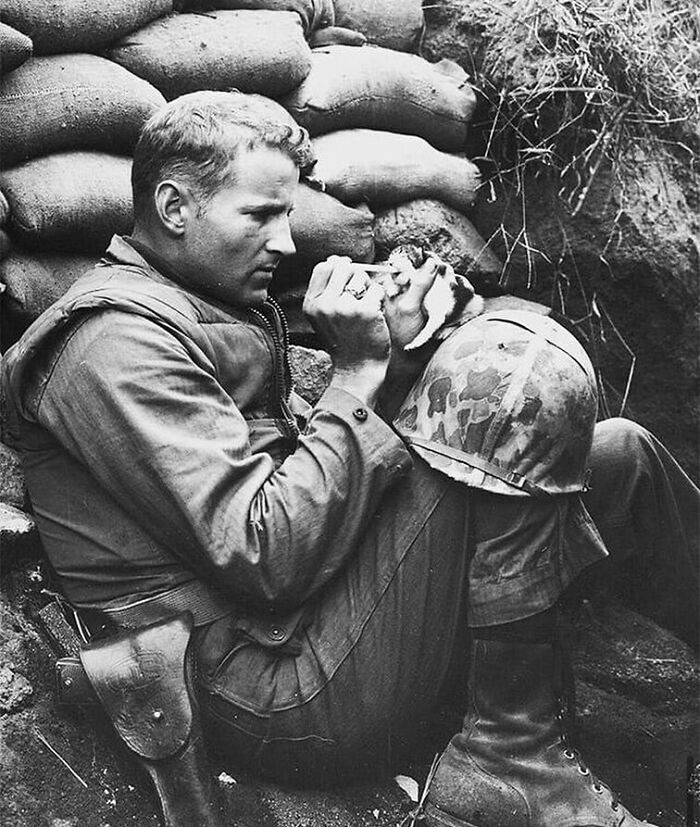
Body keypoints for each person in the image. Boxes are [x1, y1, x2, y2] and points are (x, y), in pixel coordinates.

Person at [1, 91, 697, 827]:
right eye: (260, 216)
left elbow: (310, 486)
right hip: (271, 686)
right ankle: (507, 759)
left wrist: (393, 364)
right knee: (503, 385)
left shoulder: (199, 308)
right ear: (174, 207)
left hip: (314, 619)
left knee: (621, 454)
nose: (287, 244)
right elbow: (266, 555)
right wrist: (359, 375)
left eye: (287, 215)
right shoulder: (110, 345)